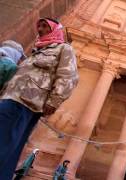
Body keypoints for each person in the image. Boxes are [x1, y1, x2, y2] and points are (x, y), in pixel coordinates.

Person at [0, 17, 78, 180]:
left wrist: (54, 101)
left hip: (26, 103)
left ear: (55, 29)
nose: (41, 29)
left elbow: (68, 76)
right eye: (39, 26)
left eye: (45, 26)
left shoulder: (63, 49)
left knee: (5, 144)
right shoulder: (37, 52)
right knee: (9, 148)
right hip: (13, 99)